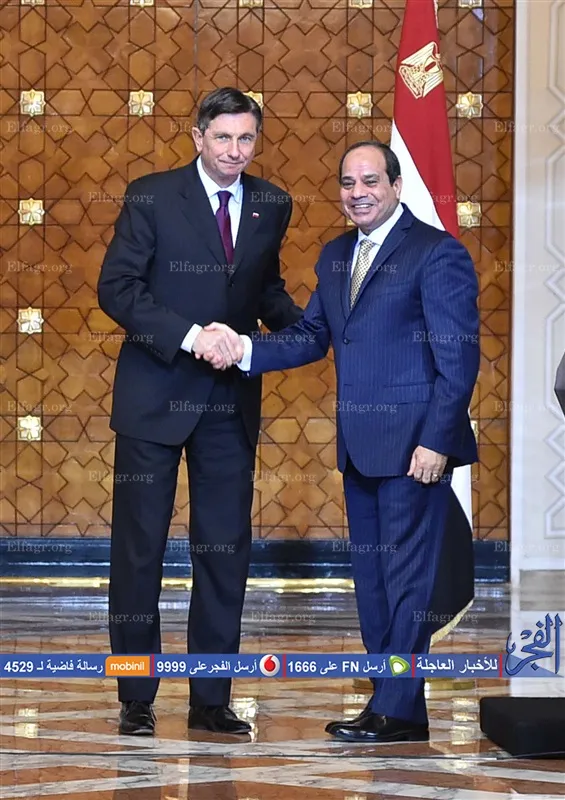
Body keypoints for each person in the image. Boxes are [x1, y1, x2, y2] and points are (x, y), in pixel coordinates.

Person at [203, 141, 480, 742]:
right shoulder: (335, 256)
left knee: (408, 585)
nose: (358, 193)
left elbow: (459, 361)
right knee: (374, 583)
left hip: (416, 450)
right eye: (348, 183)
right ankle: (398, 706)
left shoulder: (437, 253)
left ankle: (394, 710)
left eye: (370, 181)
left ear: (396, 186)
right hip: (359, 447)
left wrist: (437, 442)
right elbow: (311, 336)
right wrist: (242, 348)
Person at [97, 87, 302, 736]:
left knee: (223, 551)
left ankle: (211, 699)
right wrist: (192, 337)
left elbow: (265, 291)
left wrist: (322, 328)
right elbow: (117, 288)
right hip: (154, 396)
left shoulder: (272, 203)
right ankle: (135, 696)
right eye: (222, 138)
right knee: (139, 553)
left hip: (228, 405)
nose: (235, 151)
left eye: (246, 139)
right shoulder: (152, 196)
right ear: (197, 137)